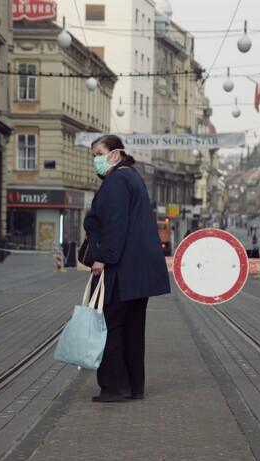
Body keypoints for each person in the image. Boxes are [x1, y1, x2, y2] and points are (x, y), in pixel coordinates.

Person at [84, 134, 171, 403]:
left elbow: (115, 223)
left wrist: (103, 258)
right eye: (94, 155)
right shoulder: (132, 177)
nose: (96, 159)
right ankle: (134, 386)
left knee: (109, 326)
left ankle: (114, 386)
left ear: (115, 154)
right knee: (133, 328)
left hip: (120, 269)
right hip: (137, 271)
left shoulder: (116, 180)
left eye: (99, 153)